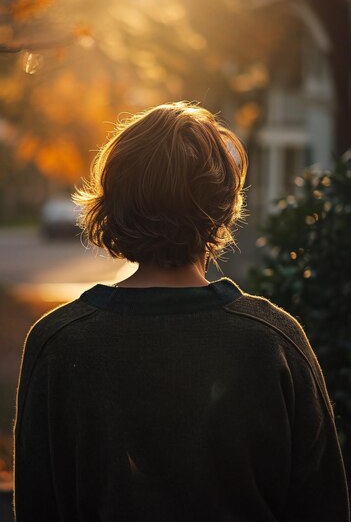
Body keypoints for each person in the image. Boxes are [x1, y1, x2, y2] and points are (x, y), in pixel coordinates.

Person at [14, 102, 349, 521]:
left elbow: (38, 504)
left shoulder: (58, 342)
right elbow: (323, 504)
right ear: (223, 206)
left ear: (112, 202)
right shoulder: (275, 340)